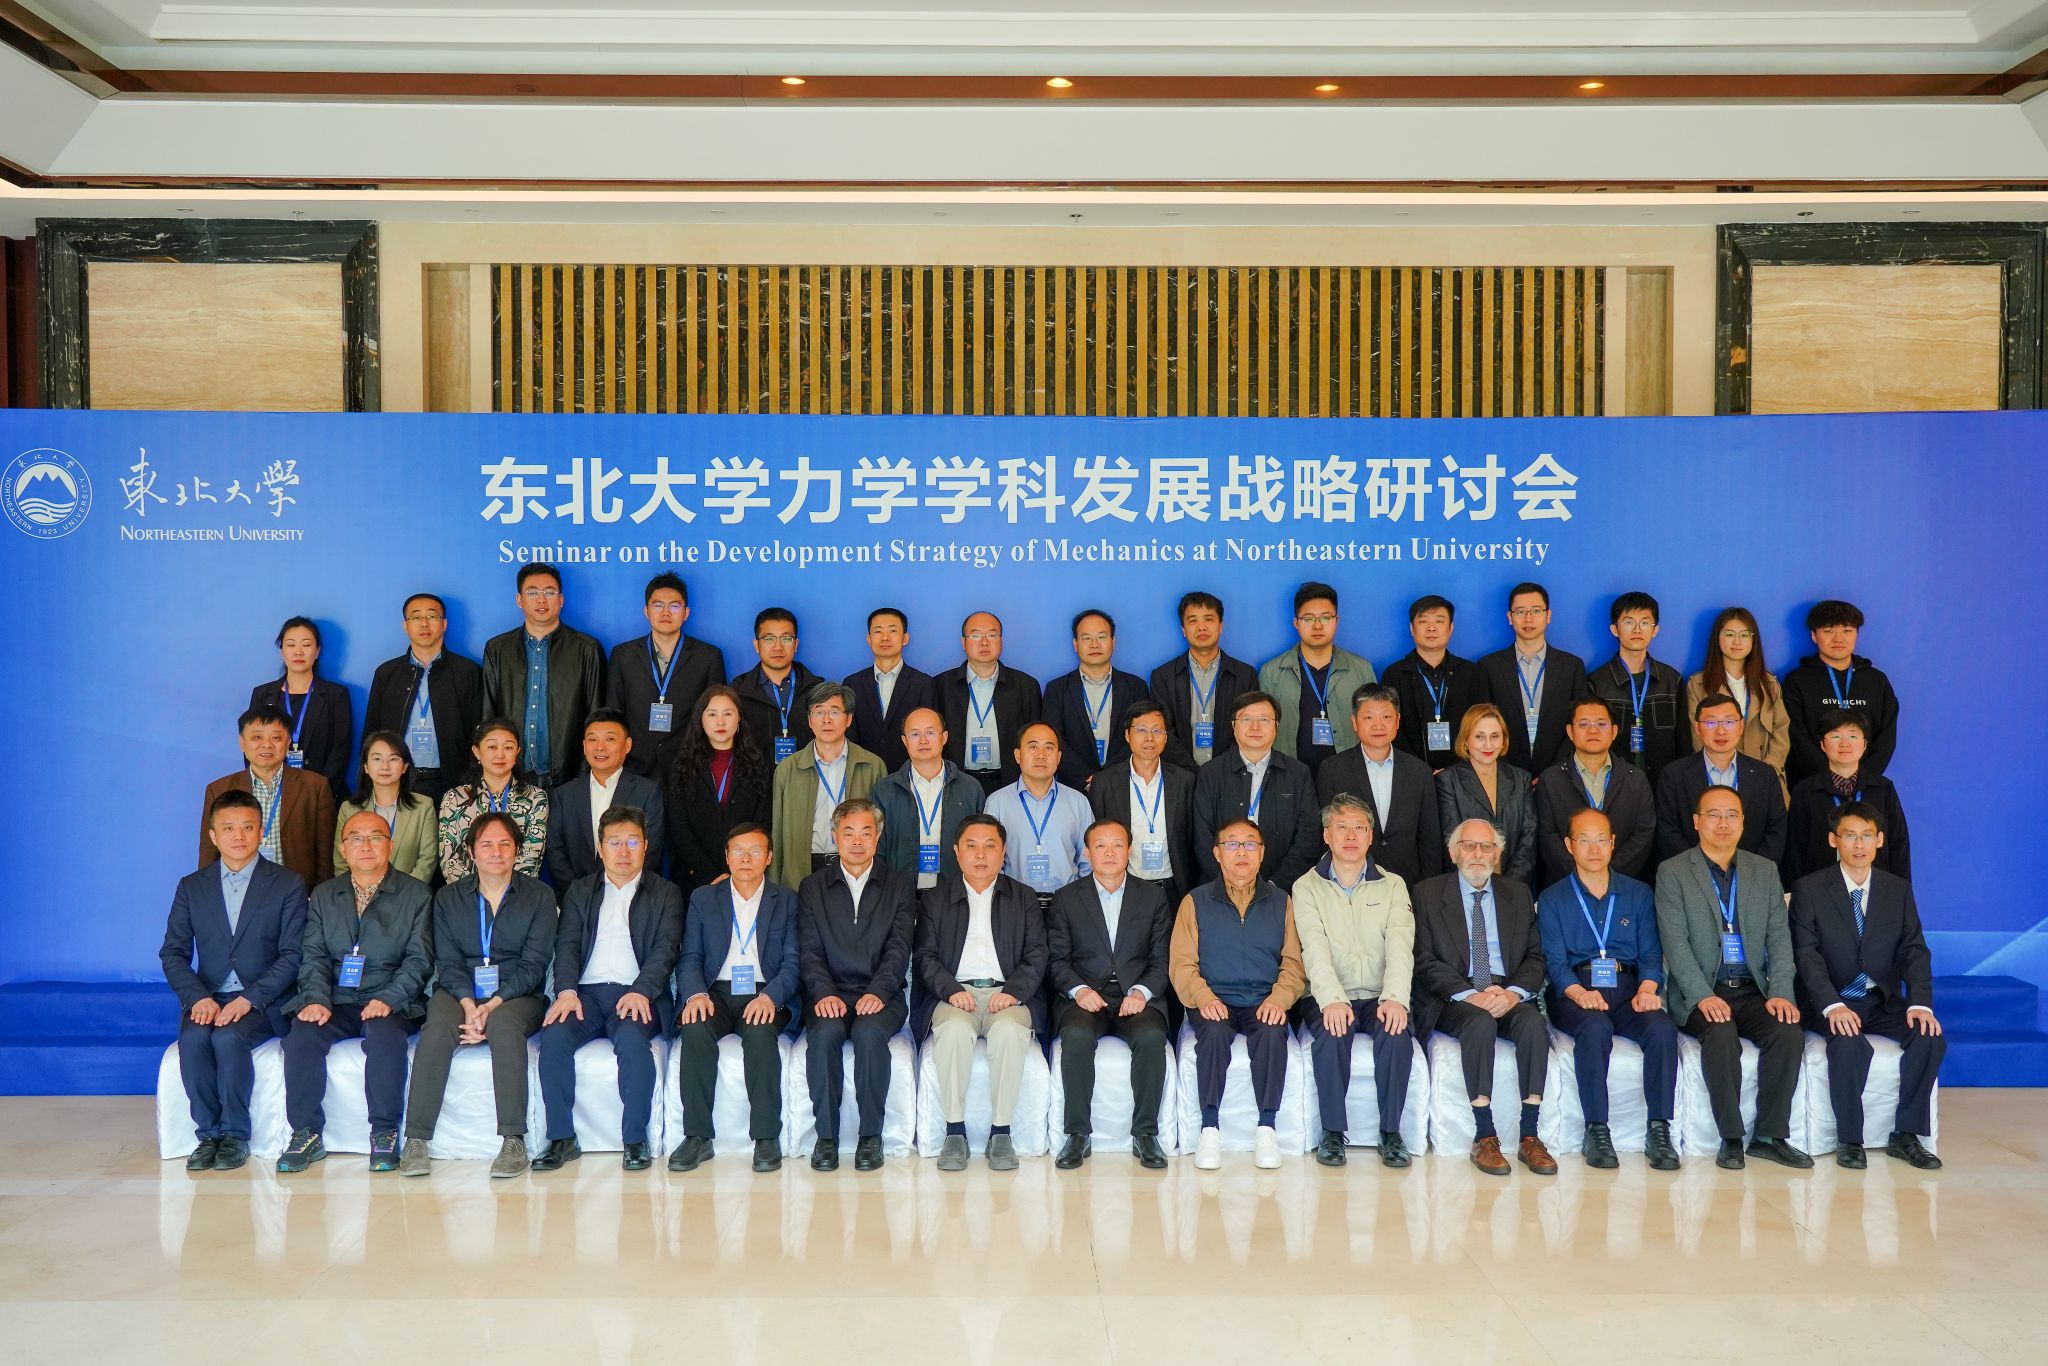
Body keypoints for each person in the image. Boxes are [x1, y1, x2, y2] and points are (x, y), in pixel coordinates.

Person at [1654, 786, 1811, 1170]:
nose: (1722, 823)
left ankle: (1770, 1137)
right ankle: (1731, 1137)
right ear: (1696, 822)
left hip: (1752, 989)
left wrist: (1781, 992)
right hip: (1703, 990)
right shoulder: (1673, 871)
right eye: (1713, 815)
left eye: (1731, 815)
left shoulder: (1764, 870)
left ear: (1743, 822)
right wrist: (1702, 996)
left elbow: (1779, 938)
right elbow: (1676, 945)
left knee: (1788, 1032)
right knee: (1721, 1034)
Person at [398, 812, 558, 1179]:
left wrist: (493, 1004)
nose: (496, 852)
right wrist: (470, 1005)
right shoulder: (449, 898)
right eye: (486, 844)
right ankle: (416, 1140)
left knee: (504, 1026)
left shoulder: (539, 896)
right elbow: (448, 962)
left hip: (517, 994)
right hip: (460, 991)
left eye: (505, 844)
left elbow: (534, 964)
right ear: (471, 852)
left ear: (517, 850)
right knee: (437, 1028)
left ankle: (513, 1140)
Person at [1789, 802, 1944, 1170]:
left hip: (1881, 1000)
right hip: (1833, 1000)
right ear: (1834, 840)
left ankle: (1906, 1135)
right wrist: (1831, 1005)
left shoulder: (1897, 890)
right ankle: (1850, 1139)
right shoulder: (1810, 889)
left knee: (1929, 1037)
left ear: (1880, 840)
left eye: (1866, 836)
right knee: (1848, 1042)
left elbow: (1914, 950)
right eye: (1849, 836)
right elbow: (1806, 954)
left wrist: (1920, 1003)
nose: (1858, 844)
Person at [161, 790, 308, 1172]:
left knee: (228, 1038)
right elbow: (173, 953)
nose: (238, 835)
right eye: (228, 828)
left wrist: (250, 999)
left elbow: (293, 955)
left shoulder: (287, 883)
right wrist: (197, 998)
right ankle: (208, 1135)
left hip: (263, 1000)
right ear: (213, 836)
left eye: (247, 827)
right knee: (193, 1040)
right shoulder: (192, 886)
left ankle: (234, 1136)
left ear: (261, 832)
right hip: (208, 997)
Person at [277, 810, 432, 1174]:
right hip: (336, 997)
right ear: (343, 849)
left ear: (390, 846)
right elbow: (313, 955)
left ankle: (384, 1132)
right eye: (356, 839)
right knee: (301, 1034)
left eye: (375, 837)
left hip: (391, 998)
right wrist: (316, 998)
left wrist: (389, 998)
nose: (366, 846)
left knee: (385, 1036)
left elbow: (420, 959)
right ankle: (305, 1133)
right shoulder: (324, 895)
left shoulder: (416, 894)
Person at [533, 805, 685, 1173]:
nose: (623, 851)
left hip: (637, 993)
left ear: (646, 846)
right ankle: (561, 1138)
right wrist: (565, 990)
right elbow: (567, 946)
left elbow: (665, 950)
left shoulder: (665, 893)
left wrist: (642, 990)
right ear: (600, 848)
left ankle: (635, 1140)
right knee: (554, 1038)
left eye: (632, 842)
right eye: (614, 842)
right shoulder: (580, 891)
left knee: (632, 1042)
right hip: (584, 995)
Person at [1535, 808, 1680, 1171]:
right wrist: (1577, 993)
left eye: (1601, 839)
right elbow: (1555, 963)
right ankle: (1596, 1130)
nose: (1594, 848)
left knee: (1662, 1028)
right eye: (1584, 840)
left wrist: (1648, 988)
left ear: (1613, 843)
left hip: (1630, 987)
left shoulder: (1638, 893)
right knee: (1595, 1026)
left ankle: (1659, 1129)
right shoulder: (1552, 898)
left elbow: (1651, 954)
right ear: (1569, 845)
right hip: (1575, 990)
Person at [1411, 818, 1557, 1177]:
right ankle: (1485, 1135)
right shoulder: (1428, 893)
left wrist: (1512, 994)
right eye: (1469, 846)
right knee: (1478, 1023)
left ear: (1497, 854)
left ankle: (1530, 1135)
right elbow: (1423, 959)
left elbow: (1535, 958)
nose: (1478, 854)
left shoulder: (1517, 894)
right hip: (1454, 997)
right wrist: (1469, 995)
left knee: (1532, 1022)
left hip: (1505, 991)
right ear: (1453, 852)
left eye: (1486, 847)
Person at [914, 815, 1048, 1172]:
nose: (981, 855)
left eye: (990, 846)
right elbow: (924, 956)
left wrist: (1015, 991)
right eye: (971, 846)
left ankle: (1001, 1132)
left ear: (1003, 853)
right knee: (954, 1030)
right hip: (955, 995)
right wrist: (950, 990)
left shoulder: (1023, 897)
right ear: (956, 852)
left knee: (1009, 1030)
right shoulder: (936, 899)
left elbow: (1037, 954)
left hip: (1009, 995)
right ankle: (954, 1132)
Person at [1171, 818, 1306, 1171]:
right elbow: (1182, 964)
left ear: (1262, 854)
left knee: (1273, 1033)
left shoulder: (1281, 902)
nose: (1241, 852)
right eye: (1231, 844)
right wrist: (1203, 997)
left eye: (1250, 845)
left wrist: (1279, 998)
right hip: (1214, 998)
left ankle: (1267, 1127)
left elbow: (1294, 963)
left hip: (1264, 998)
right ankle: (1209, 1128)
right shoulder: (1195, 901)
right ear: (1217, 854)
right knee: (1214, 1034)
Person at [1292, 795, 1418, 1169]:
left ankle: (1391, 1132)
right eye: (1342, 827)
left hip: (1380, 994)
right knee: (1332, 1034)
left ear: (1370, 836)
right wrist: (1332, 999)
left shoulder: (1393, 885)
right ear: (1326, 835)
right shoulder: (1306, 886)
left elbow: (1401, 947)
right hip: (1330, 994)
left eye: (1360, 828)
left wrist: (1395, 998)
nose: (1351, 836)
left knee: (1396, 1032)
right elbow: (1313, 948)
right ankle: (1332, 1132)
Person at [671, 823, 801, 1173]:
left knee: (760, 1034)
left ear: (768, 857)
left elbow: (793, 963)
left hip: (763, 991)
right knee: (694, 1028)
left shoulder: (787, 900)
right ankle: (697, 1137)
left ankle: (766, 1137)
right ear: (726, 857)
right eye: (738, 851)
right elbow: (690, 958)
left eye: (755, 851)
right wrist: (695, 994)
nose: (746, 858)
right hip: (714, 991)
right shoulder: (703, 898)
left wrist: (770, 997)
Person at [797, 798, 917, 1172]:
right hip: (828, 993)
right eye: (848, 833)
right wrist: (823, 992)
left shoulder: (898, 885)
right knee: (824, 1035)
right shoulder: (813, 886)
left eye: (866, 833)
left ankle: (870, 1136)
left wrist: (878, 991)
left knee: (868, 1034)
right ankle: (826, 1138)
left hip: (882, 995)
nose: (857, 842)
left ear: (878, 837)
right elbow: (809, 949)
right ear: (835, 836)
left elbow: (899, 948)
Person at [1047, 820, 1172, 1170]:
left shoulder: (1152, 896)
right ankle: (1077, 1134)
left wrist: (1141, 991)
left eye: (1117, 845)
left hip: (1137, 996)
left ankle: (1146, 1133)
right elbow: (1056, 960)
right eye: (1100, 846)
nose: (1109, 853)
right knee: (1075, 1035)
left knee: (1151, 1036)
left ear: (1129, 850)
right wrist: (1079, 990)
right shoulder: (1066, 898)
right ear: (1087, 853)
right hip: (1086, 995)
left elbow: (1162, 958)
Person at [482, 561, 605, 790]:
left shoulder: (587, 649)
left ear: (561, 599)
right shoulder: (497, 649)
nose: (541, 600)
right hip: (511, 776)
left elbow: (596, 716)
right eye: (532, 592)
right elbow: (488, 715)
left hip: (568, 777)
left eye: (549, 592)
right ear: (519, 599)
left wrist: (583, 775)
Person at [1315, 683, 1446, 886]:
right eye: (1368, 718)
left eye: (1386, 717)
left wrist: (1428, 888)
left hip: (1408, 882)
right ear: (1354, 722)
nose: (1378, 725)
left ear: (1398, 721)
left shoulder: (1419, 771)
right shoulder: (1332, 769)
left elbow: (1430, 838)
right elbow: (1324, 834)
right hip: (1349, 882)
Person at [1190, 691, 1321, 891]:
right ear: (1234, 726)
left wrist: (1275, 886)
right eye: (1246, 719)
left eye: (1264, 720)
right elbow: (1202, 837)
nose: (1255, 727)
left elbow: (1308, 837)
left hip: (1281, 889)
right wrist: (1228, 886)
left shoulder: (1298, 774)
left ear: (1276, 726)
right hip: (1219, 890)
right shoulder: (1210, 773)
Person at [364, 592, 485, 807]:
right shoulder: (387, 673)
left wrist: (471, 779)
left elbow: (479, 732)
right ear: (405, 625)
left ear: (444, 624)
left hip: (453, 782)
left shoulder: (468, 672)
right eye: (416, 617)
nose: (424, 623)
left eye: (432, 616)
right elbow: (372, 731)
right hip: (398, 780)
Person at [604, 572, 727, 782]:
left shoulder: (708, 657)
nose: (666, 612)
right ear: (646, 611)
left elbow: (715, 717)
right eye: (658, 605)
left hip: (689, 768)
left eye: (675, 606)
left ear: (686, 612)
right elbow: (613, 713)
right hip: (635, 767)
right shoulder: (623, 655)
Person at [200, 705, 336, 892]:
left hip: (296, 893)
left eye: (276, 738)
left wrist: (320, 899)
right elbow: (209, 853)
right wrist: (207, 895)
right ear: (242, 742)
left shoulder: (315, 786)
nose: (267, 745)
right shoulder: (219, 789)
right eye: (257, 737)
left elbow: (325, 854)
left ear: (288, 742)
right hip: (238, 892)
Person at [770, 682, 887, 890]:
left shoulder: (872, 766)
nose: (826, 720)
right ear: (809, 720)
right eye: (818, 712)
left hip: (856, 869)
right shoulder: (788, 769)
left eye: (834, 712)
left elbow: (882, 832)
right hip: (804, 870)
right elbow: (777, 834)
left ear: (848, 719)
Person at [1532, 697, 1655, 888]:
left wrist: (1609, 876)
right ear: (1570, 732)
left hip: (1623, 886)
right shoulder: (1550, 779)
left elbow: (1643, 833)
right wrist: (1581, 877)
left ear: (1614, 731)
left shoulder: (1635, 779)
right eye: (1583, 724)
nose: (1593, 730)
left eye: (1601, 724)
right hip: (1566, 887)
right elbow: (1547, 836)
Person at [1089, 700, 1198, 916]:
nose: (1150, 738)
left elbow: (1192, 838)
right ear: (1127, 735)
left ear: (1165, 737)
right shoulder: (1105, 782)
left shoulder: (1185, 781)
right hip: (1124, 890)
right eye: (1141, 730)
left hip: (1174, 890)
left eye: (1157, 731)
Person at [1257, 581, 1376, 772]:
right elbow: (1262, 728)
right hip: (1289, 775)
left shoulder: (1361, 669)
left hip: (1348, 774)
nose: (1318, 625)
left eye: (1326, 618)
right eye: (1309, 619)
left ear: (1337, 621)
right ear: (1296, 623)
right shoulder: (1272, 671)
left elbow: (1373, 725)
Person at [664, 685, 773, 894]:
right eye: (712, 714)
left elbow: (762, 822)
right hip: (695, 878)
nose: (720, 722)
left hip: (746, 875)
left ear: (739, 718)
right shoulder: (682, 765)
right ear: (701, 719)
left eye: (728, 714)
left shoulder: (758, 765)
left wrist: (737, 870)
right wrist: (710, 874)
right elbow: (679, 828)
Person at [1654, 695, 1788, 864]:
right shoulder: (1674, 775)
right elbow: (1667, 831)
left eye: (1729, 722)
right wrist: (1700, 870)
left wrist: (1753, 871)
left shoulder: (1764, 774)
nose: (1721, 731)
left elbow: (1776, 830)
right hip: (1691, 872)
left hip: (1753, 873)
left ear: (1741, 726)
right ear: (1697, 728)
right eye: (1711, 723)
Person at [544, 707, 668, 885]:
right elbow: (556, 851)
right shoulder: (564, 794)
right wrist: (578, 893)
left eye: (610, 739)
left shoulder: (648, 792)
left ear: (627, 745)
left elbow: (652, 850)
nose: (600, 747)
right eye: (592, 739)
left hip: (630, 894)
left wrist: (620, 890)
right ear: (584, 746)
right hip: (574, 895)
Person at [1784, 712, 1911, 883]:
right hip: (1820, 888)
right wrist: (1797, 891)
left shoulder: (1883, 788)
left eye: (1853, 736)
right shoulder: (1805, 791)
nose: (1844, 744)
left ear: (1864, 744)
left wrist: (1900, 890)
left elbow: (1898, 844)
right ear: (1822, 744)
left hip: (1875, 887)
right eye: (1835, 736)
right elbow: (1795, 849)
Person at [1784, 600, 1901, 785]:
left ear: (1856, 634)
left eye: (1847, 630)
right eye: (1828, 631)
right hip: (1812, 785)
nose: (1838, 639)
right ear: (1814, 635)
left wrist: (1861, 780)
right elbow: (1796, 737)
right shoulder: (1797, 681)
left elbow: (1886, 738)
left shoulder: (1877, 681)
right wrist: (1831, 780)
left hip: (1865, 785)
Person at [1478, 582, 1589, 774]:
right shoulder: (1489, 667)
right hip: (1504, 773)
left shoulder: (1571, 667)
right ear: (1510, 617)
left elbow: (1579, 724)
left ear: (1548, 616)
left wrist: (1554, 771)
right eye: (1520, 612)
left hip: (1559, 774)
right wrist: (1508, 771)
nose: (1528, 618)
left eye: (1536, 611)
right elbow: (1482, 724)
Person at [871, 706, 985, 890]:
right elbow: (877, 850)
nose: (923, 740)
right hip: (900, 894)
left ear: (944, 737)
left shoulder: (970, 788)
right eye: (915, 734)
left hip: (955, 894)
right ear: (905, 741)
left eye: (930, 732)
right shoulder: (885, 791)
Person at [248, 615, 355, 804]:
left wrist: (319, 793)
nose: (298, 651)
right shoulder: (263, 695)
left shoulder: (336, 695)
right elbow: (252, 745)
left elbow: (341, 749)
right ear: (282, 651)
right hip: (272, 796)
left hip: (322, 795)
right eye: (291, 645)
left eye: (306, 645)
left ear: (317, 651)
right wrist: (266, 788)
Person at [982, 722, 1095, 900]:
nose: (1041, 755)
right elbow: (991, 861)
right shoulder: (997, 802)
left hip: (1067, 903)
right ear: (1018, 755)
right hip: (1015, 903)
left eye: (1048, 748)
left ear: (1058, 757)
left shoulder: (1078, 802)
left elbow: (1089, 861)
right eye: (1033, 747)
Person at [1042, 609, 1151, 791]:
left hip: (1124, 785)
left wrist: (1107, 777)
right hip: (1073, 788)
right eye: (1086, 638)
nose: (1094, 644)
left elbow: (1140, 736)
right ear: (1075, 644)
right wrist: (1086, 778)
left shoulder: (1136, 687)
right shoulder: (1057, 689)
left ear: (1113, 642)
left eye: (1101, 637)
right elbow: (1054, 740)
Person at [936, 610, 1043, 794]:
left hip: (1010, 784)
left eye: (992, 635)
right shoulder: (941, 685)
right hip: (955, 783)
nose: (984, 642)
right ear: (963, 642)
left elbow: (1036, 738)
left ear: (1001, 640)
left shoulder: (1026, 686)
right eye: (976, 635)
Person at [1148, 591, 1256, 771]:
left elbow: (1247, 728)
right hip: (1180, 775)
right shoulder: (1163, 677)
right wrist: (1190, 771)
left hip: (1230, 774)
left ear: (1220, 626)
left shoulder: (1245, 675)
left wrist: (1218, 771)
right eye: (1193, 621)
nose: (1201, 627)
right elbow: (1163, 730)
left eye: (1208, 619)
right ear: (1183, 629)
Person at [1380, 594, 1487, 772]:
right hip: (1410, 772)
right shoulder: (1394, 675)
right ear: (1412, 628)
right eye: (1423, 621)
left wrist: (1456, 768)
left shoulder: (1470, 673)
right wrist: (1420, 769)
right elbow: (1390, 728)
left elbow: (1481, 723)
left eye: (1439, 621)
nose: (1431, 628)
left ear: (1450, 628)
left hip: (1464, 771)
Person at [1683, 606, 1791, 780]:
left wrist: (1767, 770)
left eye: (1744, 635)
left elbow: (1781, 731)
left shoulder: (1769, 684)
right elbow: (1696, 735)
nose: (1737, 641)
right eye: (1729, 634)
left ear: (1753, 639)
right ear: (1717, 638)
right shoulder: (1698, 684)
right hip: (1716, 777)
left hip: (1764, 775)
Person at [436, 718, 549, 882]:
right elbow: (449, 859)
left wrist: (506, 892)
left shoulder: (535, 797)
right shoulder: (455, 798)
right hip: (465, 893)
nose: (500, 755)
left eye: (508, 747)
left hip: (519, 892)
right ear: (477, 751)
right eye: (492, 747)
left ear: (517, 752)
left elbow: (532, 856)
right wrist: (476, 892)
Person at [1434, 703, 1536, 883]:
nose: (1488, 744)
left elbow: (1529, 838)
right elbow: (1451, 839)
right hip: (1466, 884)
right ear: (1465, 741)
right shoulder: (1448, 780)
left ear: (1503, 740)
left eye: (1495, 736)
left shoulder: (1522, 779)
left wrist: (1510, 885)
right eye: (1479, 736)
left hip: (1514, 885)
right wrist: (1478, 884)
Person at [1590, 591, 1686, 780]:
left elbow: (1683, 740)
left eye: (1644, 622)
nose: (1637, 630)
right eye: (1628, 622)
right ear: (1614, 629)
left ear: (1655, 630)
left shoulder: (1671, 680)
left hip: (1663, 781)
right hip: (1613, 782)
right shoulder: (1596, 682)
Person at [331, 731, 437, 883]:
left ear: (404, 766)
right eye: (377, 759)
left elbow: (427, 860)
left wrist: (407, 893)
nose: (385, 766)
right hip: (358, 895)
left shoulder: (424, 806)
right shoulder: (348, 809)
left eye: (393, 759)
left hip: (408, 894)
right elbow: (341, 861)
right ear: (366, 767)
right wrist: (362, 893)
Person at [844, 607, 937, 774]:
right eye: (878, 631)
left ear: (905, 638)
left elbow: (930, 734)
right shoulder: (852, 683)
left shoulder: (923, 683)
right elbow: (848, 734)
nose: (885, 637)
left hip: (909, 774)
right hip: (863, 773)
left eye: (892, 631)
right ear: (869, 639)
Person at [733, 606, 824, 770]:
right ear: (756, 645)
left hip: (807, 779)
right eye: (769, 639)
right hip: (754, 779)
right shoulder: (738, 691)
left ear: (796, 644)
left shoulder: (817, 690)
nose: (778, 647)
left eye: (786, 639)